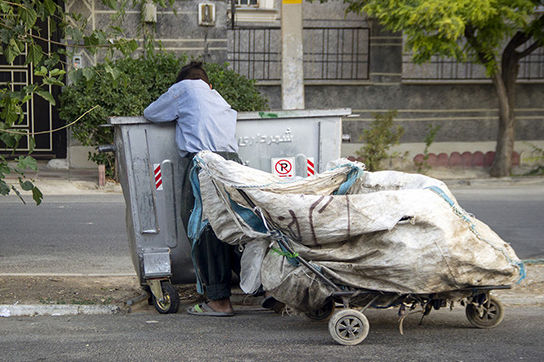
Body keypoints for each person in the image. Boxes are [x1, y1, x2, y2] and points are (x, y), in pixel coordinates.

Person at [144, 61, 241, 317]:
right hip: (233, 165)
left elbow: (152, 112)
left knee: (203, 228)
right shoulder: (218, 97)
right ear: (209, 83)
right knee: (238, 226)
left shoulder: (185, 88)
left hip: (205, 164)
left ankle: (219, 301)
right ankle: (266, 290)